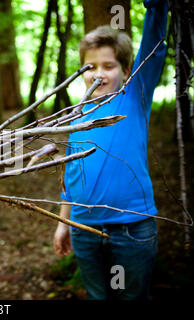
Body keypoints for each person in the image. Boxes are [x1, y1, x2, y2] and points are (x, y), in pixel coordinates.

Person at [53, 0, 168, 300]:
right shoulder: (77, 113)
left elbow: (154, 49)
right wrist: (64, 222)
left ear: (127, 71)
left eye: (108, 66)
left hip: (131, 229)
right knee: (97, 296)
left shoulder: (134, 98)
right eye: (90, 67)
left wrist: (157, 7)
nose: (98, 74)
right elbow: (72, 170)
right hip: (84, 229)